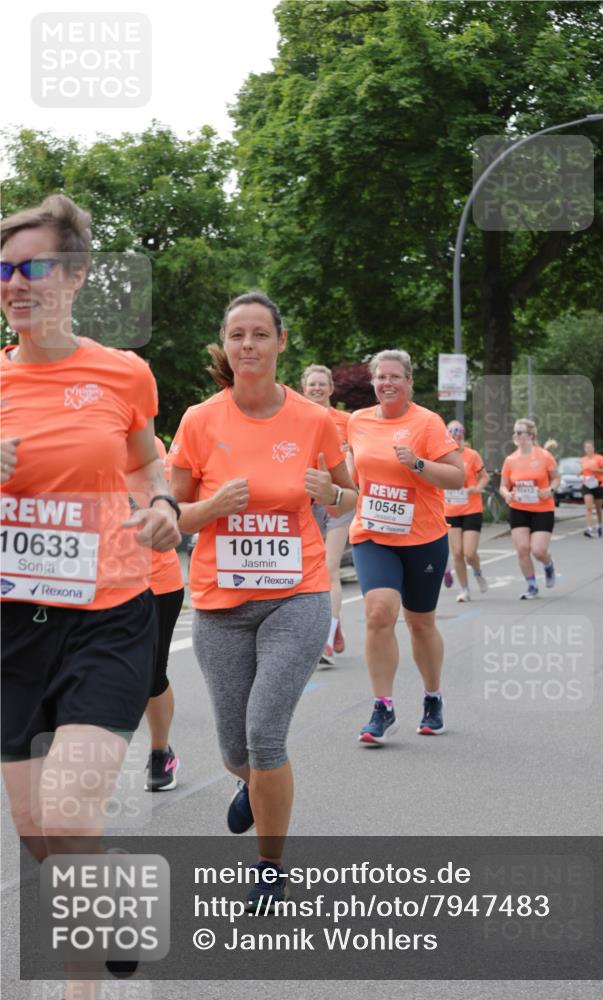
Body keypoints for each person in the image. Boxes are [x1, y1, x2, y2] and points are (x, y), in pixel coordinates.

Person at [0, 194, 180, 996]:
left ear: (74, 279)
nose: (14, 284)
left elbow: (147, 463)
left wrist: (165, 505)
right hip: (11, 630)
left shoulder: (121, 373)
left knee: (71, 818)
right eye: (4, 271)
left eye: (32, 267)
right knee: (39, 836)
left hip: (109, 614)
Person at [169, 292, 356, 909]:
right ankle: (253, 786)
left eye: (259, 334)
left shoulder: (313, 420)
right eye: (236, 335)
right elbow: (171, 517)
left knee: (264, 734)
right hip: (220, 603)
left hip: (296, 594)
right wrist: (212, 508)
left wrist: (331, 488)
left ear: (279, 341)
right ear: (225, 345)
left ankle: (270, 865)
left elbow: (349, 498)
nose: (247, 345)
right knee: (233, 747)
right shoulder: (199, 420)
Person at [347, 349, 463, 745]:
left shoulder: (427, 423)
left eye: (395, 377)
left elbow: (456, 476)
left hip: (423, 538)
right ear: (374, 382)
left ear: (409, 382)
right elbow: (352, 480)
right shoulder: (357, 422)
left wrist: (417, 464)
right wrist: (330, 494)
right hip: (372, 535)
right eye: (381, 377)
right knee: (379, 613)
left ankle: (433, 697)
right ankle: (383, 707)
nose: (387, 383)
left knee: (420, 623)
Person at [301, 364, 353, 665]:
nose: (317, 389)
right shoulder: (296, 419)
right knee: (309, 571)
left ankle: (325, 641)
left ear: (331, 389)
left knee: (328, 569)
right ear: (304, 389)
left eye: (322, 384)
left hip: (337, 500)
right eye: (312, 385)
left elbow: (359, 457)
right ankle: (334, 625)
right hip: (304, 502)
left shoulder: (346, 421)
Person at [144, 437, 185, 791]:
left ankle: (160, 751)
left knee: (150, 676)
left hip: (156, 580)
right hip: (94, 581)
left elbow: (162, 496)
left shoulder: (149, 444)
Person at [500, 418, 560, 600]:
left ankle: (548, 564)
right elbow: (503, 486)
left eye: (520, 432)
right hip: (518, 508)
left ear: (531, 435)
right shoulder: (510, 460)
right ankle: (531, 585)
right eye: (514, 432)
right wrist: (507, 494)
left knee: (538, 550)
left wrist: (549, 490)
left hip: (542, 508)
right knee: (522, 549)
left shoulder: (544, 456)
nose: (516, 436)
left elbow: (556, 479)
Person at [444, 421, 489, 602]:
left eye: (459, 434)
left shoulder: (472, 455)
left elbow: (484, 476)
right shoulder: (442, 456)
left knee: (469, 553)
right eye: (452, 434)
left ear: (463, 436)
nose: (456, 437)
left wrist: (476, 488)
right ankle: (464, 589)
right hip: (450, 510)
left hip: (471, 508)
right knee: (456, 553)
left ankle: (477, 572)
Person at [580, 440, 603, 538]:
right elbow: (582, 471)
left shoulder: (599, 458)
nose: (588, 449)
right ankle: (589, 528)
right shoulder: (582, 460)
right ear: (584, 449)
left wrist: (596, 470)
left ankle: (599, 525)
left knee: (598, 508)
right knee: (589, 507)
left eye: (590, 447)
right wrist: (580, 475)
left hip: (598, 484)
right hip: (587, 485)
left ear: (593, 448)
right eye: (586, 447)